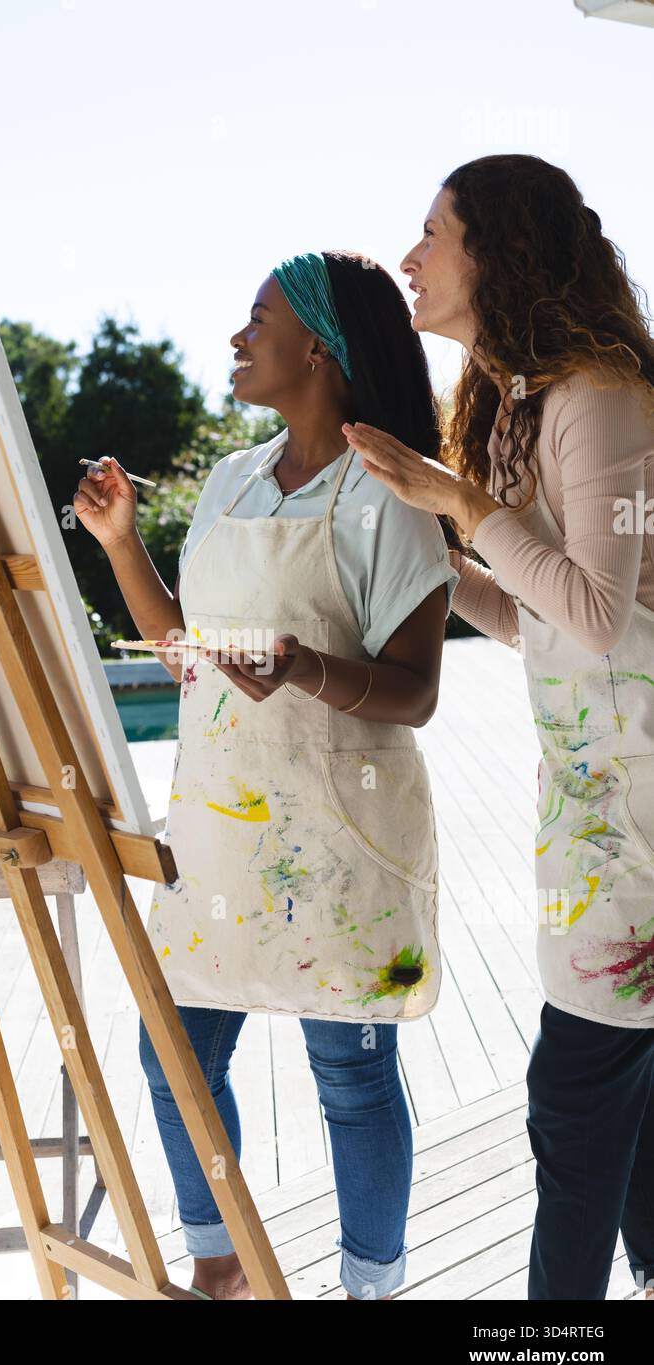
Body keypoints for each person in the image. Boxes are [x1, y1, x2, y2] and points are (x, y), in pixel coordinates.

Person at [73, 249, 460, 1300]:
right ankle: (223, 1266)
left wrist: (302, 667)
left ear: (322, 350)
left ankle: (370, 1289)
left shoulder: (389, 491)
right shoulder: (233, 478)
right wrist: (119, 543)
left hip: (344, 831)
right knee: (175, 1060)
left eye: (259, 319)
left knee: (351, 1076)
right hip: (221, 830)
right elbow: (184, 651)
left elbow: (417, 688)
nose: (238, 337)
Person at [344, 154, 654, 1302]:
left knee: (572, 1102)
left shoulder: (601, 394)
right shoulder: (524, 404)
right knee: (615, 1091)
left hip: (640, 813)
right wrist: (435, 547)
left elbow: (599, 612)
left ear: (501, 250)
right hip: (594, 810)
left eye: (435, 233)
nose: (414, 256)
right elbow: (538, 625)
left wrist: (463, 507)